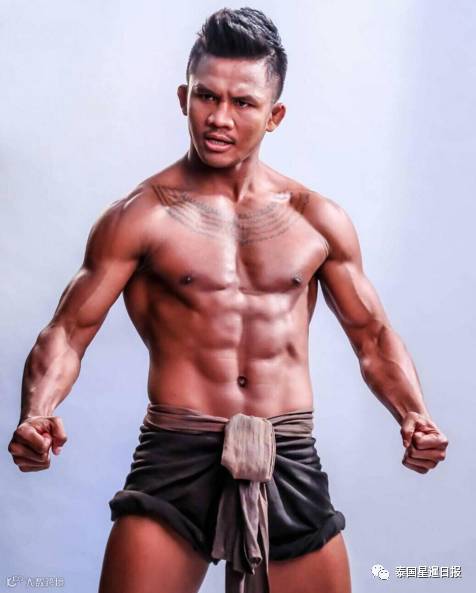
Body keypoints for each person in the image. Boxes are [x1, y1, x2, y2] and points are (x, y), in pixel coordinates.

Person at [8, 7, 449, 593]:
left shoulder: (316, 219)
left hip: (287, 453)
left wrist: (413, 414)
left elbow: (372, 336)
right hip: (177, 453)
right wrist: (36, 413)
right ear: (183, 97)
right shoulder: (140, 217)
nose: (219, 118)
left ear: (274, 115)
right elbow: (68, 331)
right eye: (206, 96)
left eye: (243, 103)